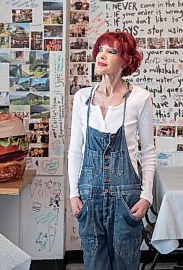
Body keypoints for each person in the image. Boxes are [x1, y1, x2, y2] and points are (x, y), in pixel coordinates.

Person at [68, 32, 156, 269]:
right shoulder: (82, 98)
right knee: (94, 263)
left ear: (126, 60)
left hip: (126, 199)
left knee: (126, 263)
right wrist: (73, 193)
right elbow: (75, 149)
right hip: (89, 195)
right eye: (100, 50)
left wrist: (146, 197)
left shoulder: (140, 98)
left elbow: (148, 152)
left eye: (112, 51)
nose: (102, 55)